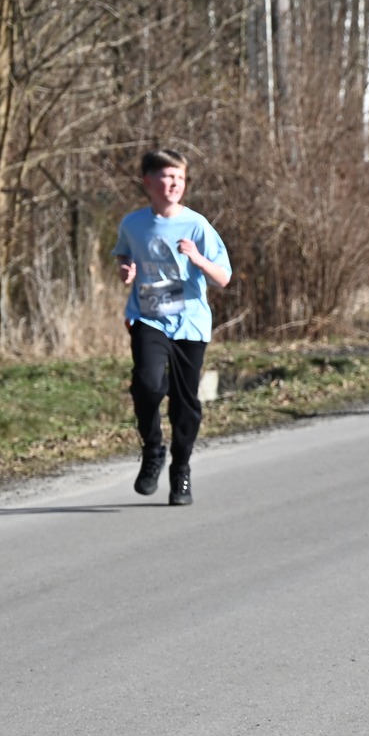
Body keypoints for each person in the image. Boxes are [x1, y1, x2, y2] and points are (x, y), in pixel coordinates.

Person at [112, 149, 232, 506]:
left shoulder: (197, 225)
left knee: (184, 402)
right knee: (147, 385)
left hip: (190, 321)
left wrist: (197, 258)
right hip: (148, 316)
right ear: (149, 182)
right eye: (168, 177)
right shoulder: (132, 223)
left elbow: (223, 277)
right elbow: (124, 253)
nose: (175, 184)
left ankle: (181, 469)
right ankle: (153, 450)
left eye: (180, 177)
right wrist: (126, 269)